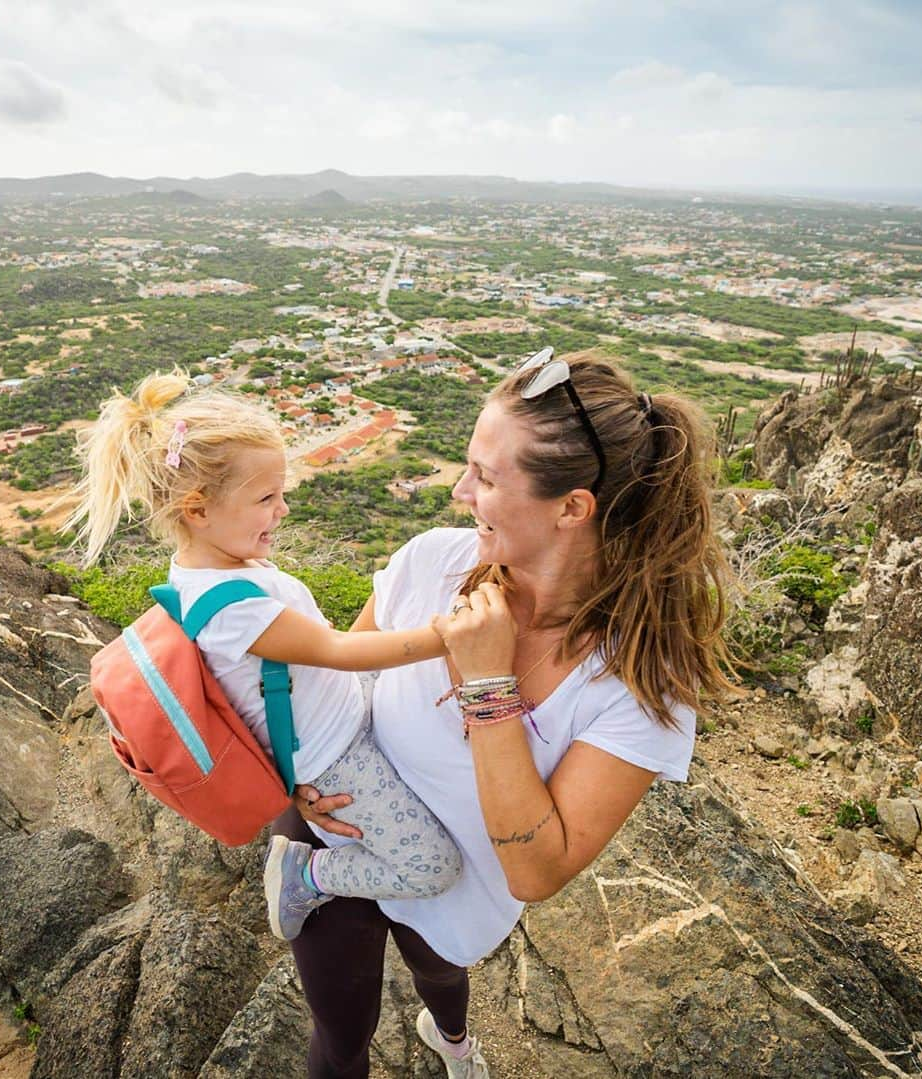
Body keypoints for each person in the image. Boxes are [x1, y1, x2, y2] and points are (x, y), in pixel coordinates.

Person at [274, 348, 735, 1078]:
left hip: (463, 891)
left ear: (572, 507)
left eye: (486, 477)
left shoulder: (642, 686)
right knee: (341, 1034)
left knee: (441, 976)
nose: (460, 491)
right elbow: (333, 688)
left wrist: (489, 685)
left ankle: (452, 1037)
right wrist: (297, 781)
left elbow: (535, 868)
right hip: (339, 829)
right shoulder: (431, 562)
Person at [66, 369, 463, 942]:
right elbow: (335, 650)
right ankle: (309, 873)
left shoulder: (223, 561)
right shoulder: (229, 606)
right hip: (337, 757)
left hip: (343, 719)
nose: (281, 510)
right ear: (197, 509)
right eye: (265, 498)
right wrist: (446, 636)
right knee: (433, 868)